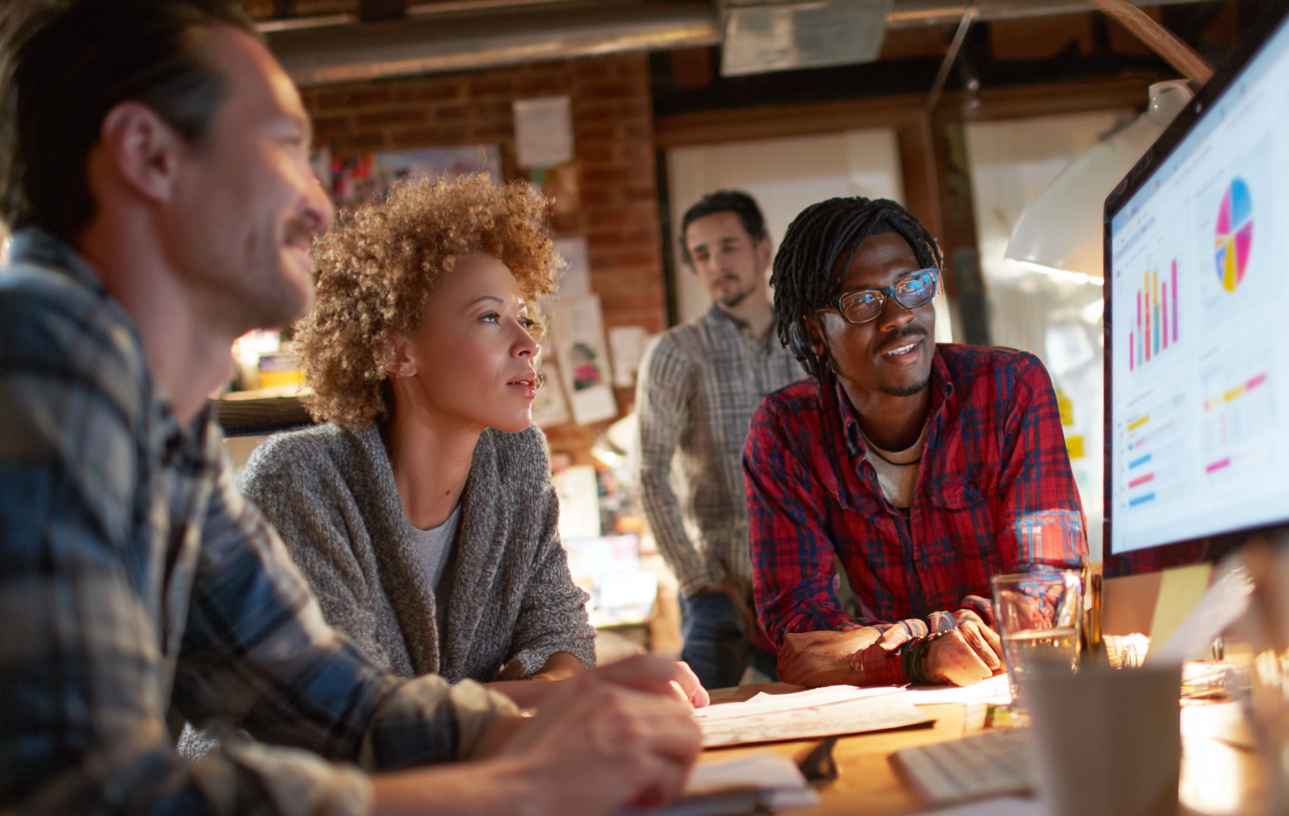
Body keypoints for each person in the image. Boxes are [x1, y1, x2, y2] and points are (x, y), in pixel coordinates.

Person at [0, 2, 705, 814]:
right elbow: (86, 796)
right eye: (287, 147)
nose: (319, 205)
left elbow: (324, 696)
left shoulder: (161, 420)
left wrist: (525, 726)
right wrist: (517, 783)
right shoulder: (38, 361)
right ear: (148, 154)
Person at [235, 176, 594, 708]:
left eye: (524, 317)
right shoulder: (297, 480)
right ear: (397, 352)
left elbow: (562, 637)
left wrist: (548, 696)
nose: (528, 343)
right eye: (490, 317)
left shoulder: (516, 459)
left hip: (450, 775)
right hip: (280, 787)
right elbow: (353, 707)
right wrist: (524, 710)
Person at [743, 197, 1088, 688]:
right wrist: (920, 655)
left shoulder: (1010, 387)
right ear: (815, 332)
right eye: (862, 301)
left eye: (913, 286)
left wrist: (909, 643)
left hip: (1022, 686)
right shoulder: (786, 432)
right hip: (894, 704)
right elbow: (799, 634)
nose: (898, 317)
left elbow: (1050, 587)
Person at [636, 191, 805, 688]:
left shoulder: (809, 343)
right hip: (720, 593)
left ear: (762, 249)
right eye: (701, 254)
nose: (716, 265)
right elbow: (648, 472)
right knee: (696, 729)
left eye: (728, 247)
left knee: (836, 727)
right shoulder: (676, 353)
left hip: (811, 589)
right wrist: (697, 581)